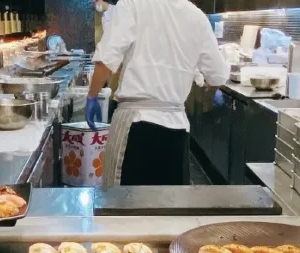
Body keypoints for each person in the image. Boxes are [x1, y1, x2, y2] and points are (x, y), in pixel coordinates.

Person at [86, 0, 229, 187]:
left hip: (135, 127)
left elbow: (106, 59)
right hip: (176, 132)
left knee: (123, 208)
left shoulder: (132, 4)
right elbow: (218, 76)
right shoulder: (197, 16)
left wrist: (92, 96)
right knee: (170, 209)